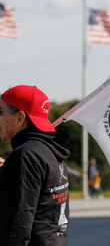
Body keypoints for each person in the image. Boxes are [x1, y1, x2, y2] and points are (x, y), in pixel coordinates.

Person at [0, 85, 70, 245]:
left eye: (1, 112)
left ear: (19, 117)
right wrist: (7, 172)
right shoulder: (52, 149)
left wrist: (15, 166)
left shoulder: (25, 156)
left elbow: (17, 229)